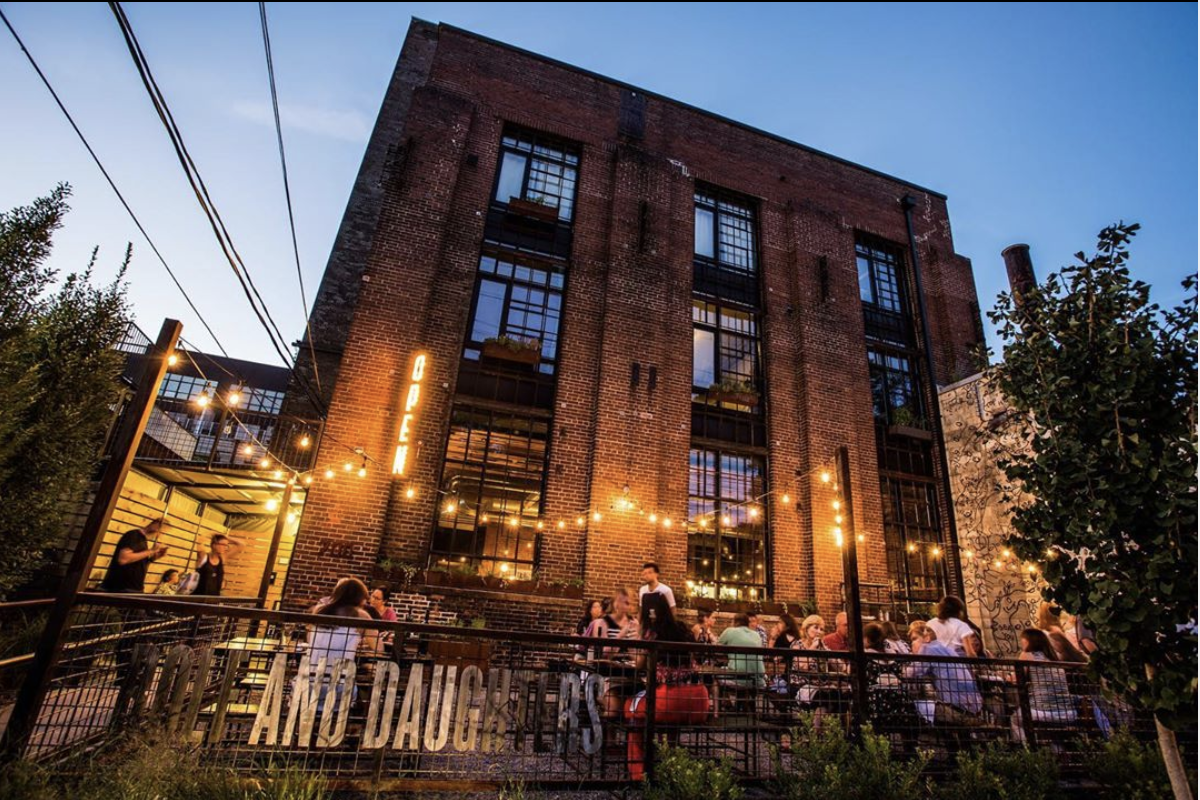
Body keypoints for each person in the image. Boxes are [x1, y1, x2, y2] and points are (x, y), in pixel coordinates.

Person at [624, 593, 708, 780]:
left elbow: (638, 664)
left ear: (649, 613)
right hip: (698, 700)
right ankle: (671, 758)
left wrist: (632, 648)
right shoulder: (683, 629)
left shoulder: (651, 632)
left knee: (630, 707)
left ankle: (639, 771)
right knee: (671, 716)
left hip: (668, 698)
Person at [304, 578, 373, 714]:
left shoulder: (319, 611)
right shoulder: (362, 616)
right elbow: (379, 648)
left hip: (309, 684)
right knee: (368, 678)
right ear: (359, 598)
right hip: (340, 688)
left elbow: (310, 639)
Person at [905, 620, 983, 725]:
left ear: (927, 638)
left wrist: (910, 660)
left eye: (914, 639)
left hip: (958, 711)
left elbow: (910, 674)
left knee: (917, 708)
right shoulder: (948, 649)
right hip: (975, 709)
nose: (912, 643)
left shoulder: (927, 649)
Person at [100, 517, 168, 593]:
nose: (159, 535)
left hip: (133, 588)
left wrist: (153, 558)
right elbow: (123, 559)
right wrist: (151, 551)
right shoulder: (133, 535)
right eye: (161, 531)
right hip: (121, 589)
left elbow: (136, 561)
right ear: (156, 525)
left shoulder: (143, 540)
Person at [717, 612, 765, 687]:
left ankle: (718, 699)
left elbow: (717, 648)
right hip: (758, 679)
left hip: (737, 678)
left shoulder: (730, 631)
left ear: (735, 622)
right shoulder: (757, 635)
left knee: (715, 675)